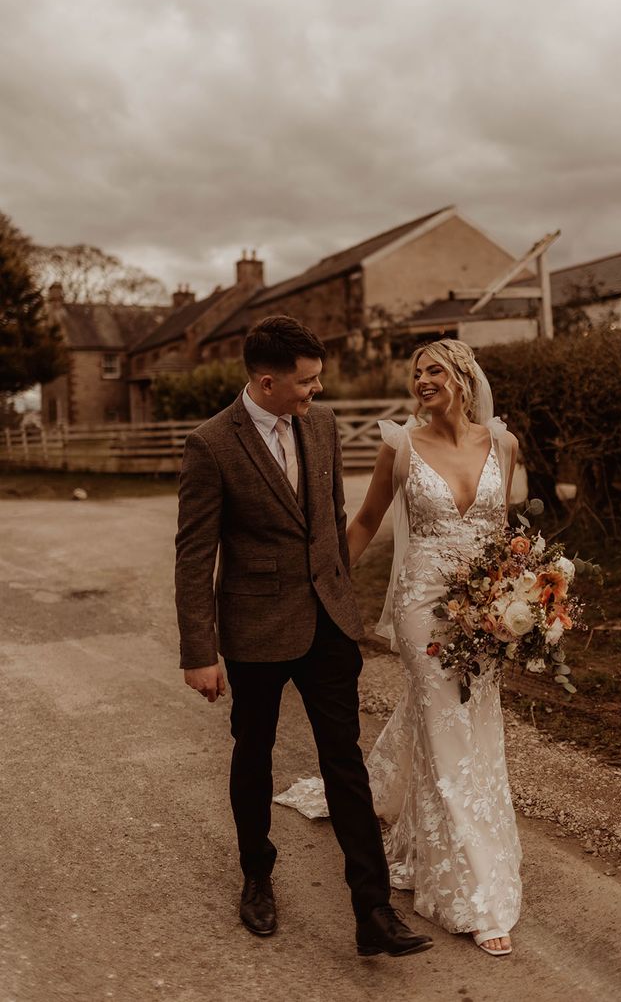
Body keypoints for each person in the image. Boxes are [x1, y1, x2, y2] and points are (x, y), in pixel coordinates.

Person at [174, 315, 433, 959]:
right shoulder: (211, 445)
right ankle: (257, 874)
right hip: (256, 629)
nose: (316, 392)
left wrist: (347, 600)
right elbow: (193, 554)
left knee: (344, 761)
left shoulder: (319, 425)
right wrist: (199, 653)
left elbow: (335, 520)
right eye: (307, 382)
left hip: (328, 625)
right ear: (266, 382)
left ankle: (372, 912)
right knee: (253, 755)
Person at [276, 338, 522, 956]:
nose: (421, 381)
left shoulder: (505, 444)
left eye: (433, 370)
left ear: (463, 376)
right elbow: (363, 522)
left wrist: (523, 598)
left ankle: (409, 821)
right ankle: (473, 893)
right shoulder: (401, 447)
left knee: (476, 725)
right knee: (446, 726)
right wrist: (326, 591)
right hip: (422, 608)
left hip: (487, 612)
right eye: (416, 373)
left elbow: (506, 533)